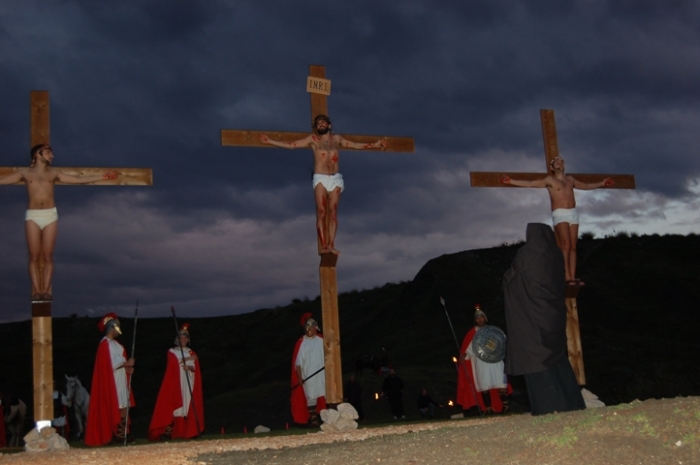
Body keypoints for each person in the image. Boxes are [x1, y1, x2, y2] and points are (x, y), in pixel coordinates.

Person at [0, 144, 118, 301]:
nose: (52, 156)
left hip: (50, 215)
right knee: (34, 256)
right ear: (38, 154)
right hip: (33, 215)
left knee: (48, 256)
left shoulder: (54, 173)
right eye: (49, 152)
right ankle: (37, 291)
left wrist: (102, 176)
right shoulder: (25, 173)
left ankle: (46, 291)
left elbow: (79, 180)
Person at [260, 115, 386, 255]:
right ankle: (324, 245)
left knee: (332, 213)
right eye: (317, 123)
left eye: (322, 122)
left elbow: (356, 145)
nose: (320, 124)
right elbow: (291, 145)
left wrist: (376, 143)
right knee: (321, 212)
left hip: (335, 179)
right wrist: (270, 141)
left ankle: (331, 245)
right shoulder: (313, 140)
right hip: (320, 178)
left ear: (329, 125)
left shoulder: (337, 139)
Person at [502, 223, 586, 416]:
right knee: (557, 362)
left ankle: (550, 408)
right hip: (552, 319)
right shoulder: (556, 255)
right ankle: (572, 402)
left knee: (537, 363)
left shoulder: (527, 254)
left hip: (532, 324)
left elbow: (509, 278)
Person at [500, 156, 613, 285]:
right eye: (556, 162)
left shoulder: (570, 179)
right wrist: (511, 181)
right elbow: (531, 184)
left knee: (573, 247)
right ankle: (567, 277)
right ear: (552, 168)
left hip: (573, 213)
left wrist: (602, 183)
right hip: (560, 213)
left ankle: (573, 276)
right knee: (565, 246)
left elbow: (586, 186)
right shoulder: (550, 180)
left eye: (561, 161)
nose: (560, 162)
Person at [84, 313, 135, 446]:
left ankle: (121, 435)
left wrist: (128, 369)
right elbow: (109, 364)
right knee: (114, 405)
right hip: (111, 381)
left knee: (124, 405)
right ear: (112, 327)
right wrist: (126, 363)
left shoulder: (118, 346)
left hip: (121, 379)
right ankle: (110, 434)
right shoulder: (104, 345)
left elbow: (122, 364)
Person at [148, 323, 204, 441]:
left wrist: (189, 367)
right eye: (181, 338)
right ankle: (168, 432)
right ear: (177, 339)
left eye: (185, 338)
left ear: (188, 340)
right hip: (176, 382)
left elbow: (195, 369)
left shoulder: (191, 352)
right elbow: (174, 363)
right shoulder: (172, 352)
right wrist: (188, 359)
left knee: (187, 405)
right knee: (174, 405)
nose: (183, 340)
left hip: (188, 380)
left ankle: (189, 431)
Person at [456, 304, 512, 415]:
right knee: (484, 384)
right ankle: (488, 408)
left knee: (500, 382)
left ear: (485, 318)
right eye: (477, 318)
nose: (479, 319)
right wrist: (465, 356)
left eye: (481, 317)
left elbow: (500, 343)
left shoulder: (493, 331)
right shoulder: (472, 334)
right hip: (481, 362)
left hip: (495, 360)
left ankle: (505, 406)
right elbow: (470, 349)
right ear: (475, 320)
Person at [291, 312, 326, 427]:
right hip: (309, 376)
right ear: (308, 328)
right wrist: (300, 378)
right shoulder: (302, 343)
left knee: (326, 395)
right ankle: (314, 421)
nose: (315, 328)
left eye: (315, 326)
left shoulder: (322, 340)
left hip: (322, 374)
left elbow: (330, 353)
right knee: (311, 398)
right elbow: (298, 364)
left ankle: (328, 419)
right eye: (313, 326)